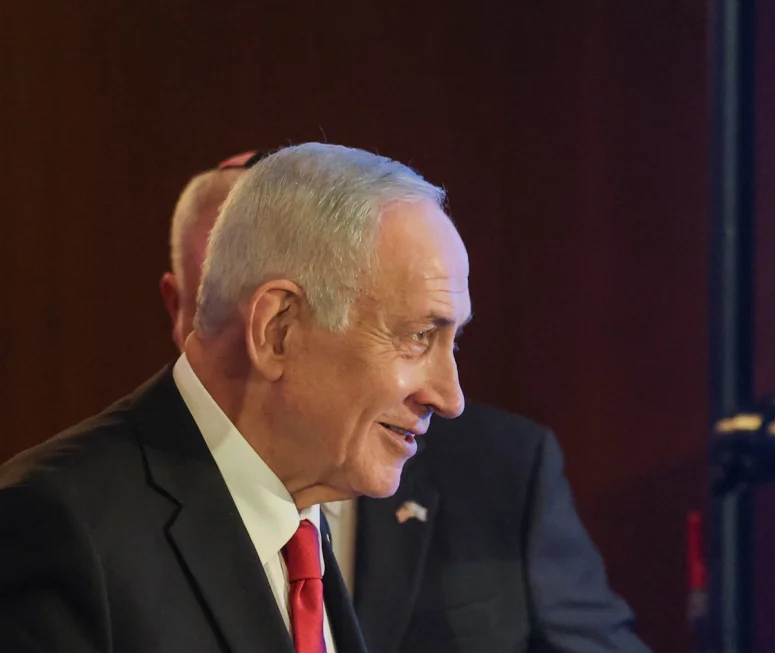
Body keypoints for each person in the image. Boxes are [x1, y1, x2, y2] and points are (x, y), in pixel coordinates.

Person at [159, 151, 653, 653]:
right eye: (213, 302)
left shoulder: (506, 469)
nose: (449, 398)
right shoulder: (102, 528)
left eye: (442, 338)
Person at [0, 143, 469, 653]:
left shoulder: (303, 526)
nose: (450, 397)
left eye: (452, 341)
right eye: (418, 336)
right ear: (278, 330)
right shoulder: (56, 529)